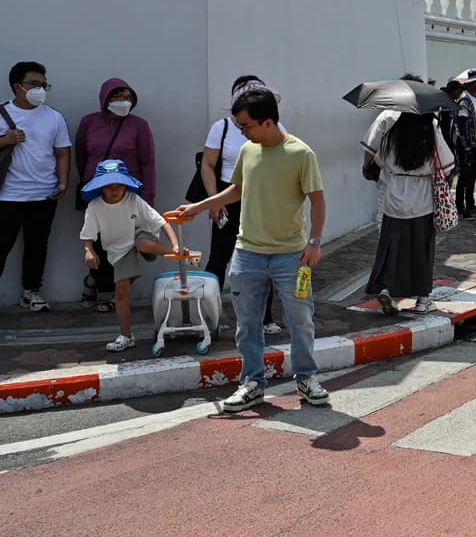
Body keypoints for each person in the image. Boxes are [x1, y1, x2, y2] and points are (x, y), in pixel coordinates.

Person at [176, 86, 329, 413]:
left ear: (268, 122)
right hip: (247, 252)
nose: (241, 131)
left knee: (300, 320)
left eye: (246, 125)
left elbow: (317, 200)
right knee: (247, 324)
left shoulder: (301, 154)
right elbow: (237, 190)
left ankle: (306, 377)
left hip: (292, 255)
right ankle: (252, 383)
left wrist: (314, 243)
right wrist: (200, 207)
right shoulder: (248, 151)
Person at [200, 76, 285, 336]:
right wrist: (214, 201)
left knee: (265, 257)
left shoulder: (275, 126)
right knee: (219, 258)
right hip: (228, 199)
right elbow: (208, 165)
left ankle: (266, 316)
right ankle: (211, 315)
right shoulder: (222, 127)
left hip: (262, 201)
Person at [361, 105, 454, 315]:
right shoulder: (430, 128)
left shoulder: (391, 131)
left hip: (394, 195)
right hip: (422, 198)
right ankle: (422, 300)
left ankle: (386, 288)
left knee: (391, 246)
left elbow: (377, 158)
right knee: (422, 249)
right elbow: (446, 164)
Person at [79, 159, 179, 351]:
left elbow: (161, 222)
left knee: (142, 243)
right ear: (100, 187)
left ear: (126, 185)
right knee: (121, 291)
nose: (115, 190)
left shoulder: (134, 200)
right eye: (109, 187)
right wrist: (89, 251)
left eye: (119, 186)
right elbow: (88, 235)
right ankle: (126, 335)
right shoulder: (94, 206)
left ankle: (176, 252)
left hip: (143, 235)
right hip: (119, 249)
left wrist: (175, 245)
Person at [74, 78, 156, 312]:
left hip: (126, 195)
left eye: (128, 97)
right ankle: (95, 281)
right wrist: (88, 183)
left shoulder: (139, 125)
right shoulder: (89, 123)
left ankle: (113, 292)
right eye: (117, 97)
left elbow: (148, 163)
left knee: (122, 244)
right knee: (97, 242)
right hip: (96, 192)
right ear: (105, 99)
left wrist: (148, 197)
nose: (123, 102)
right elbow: (81, 155)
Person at [1, 61, 70, 311]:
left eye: (43, 85)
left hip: (43, 194)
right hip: (7, 196)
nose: (39, 89)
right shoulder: (1, 114)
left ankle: (31, 292)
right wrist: (4, 140)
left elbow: (62, 152)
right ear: (17, 86)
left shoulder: (54, 117)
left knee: (37, 245)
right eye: (34, 84)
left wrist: (63, 181)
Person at [453, 70, 476, 218]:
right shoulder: (464, 100)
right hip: (465, 145)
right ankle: (460, 206)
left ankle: (471, 203)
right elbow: (460, 126)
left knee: (473, 175)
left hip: (474, 143)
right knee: (465, 176)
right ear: (472, 83)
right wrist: (466, 146)